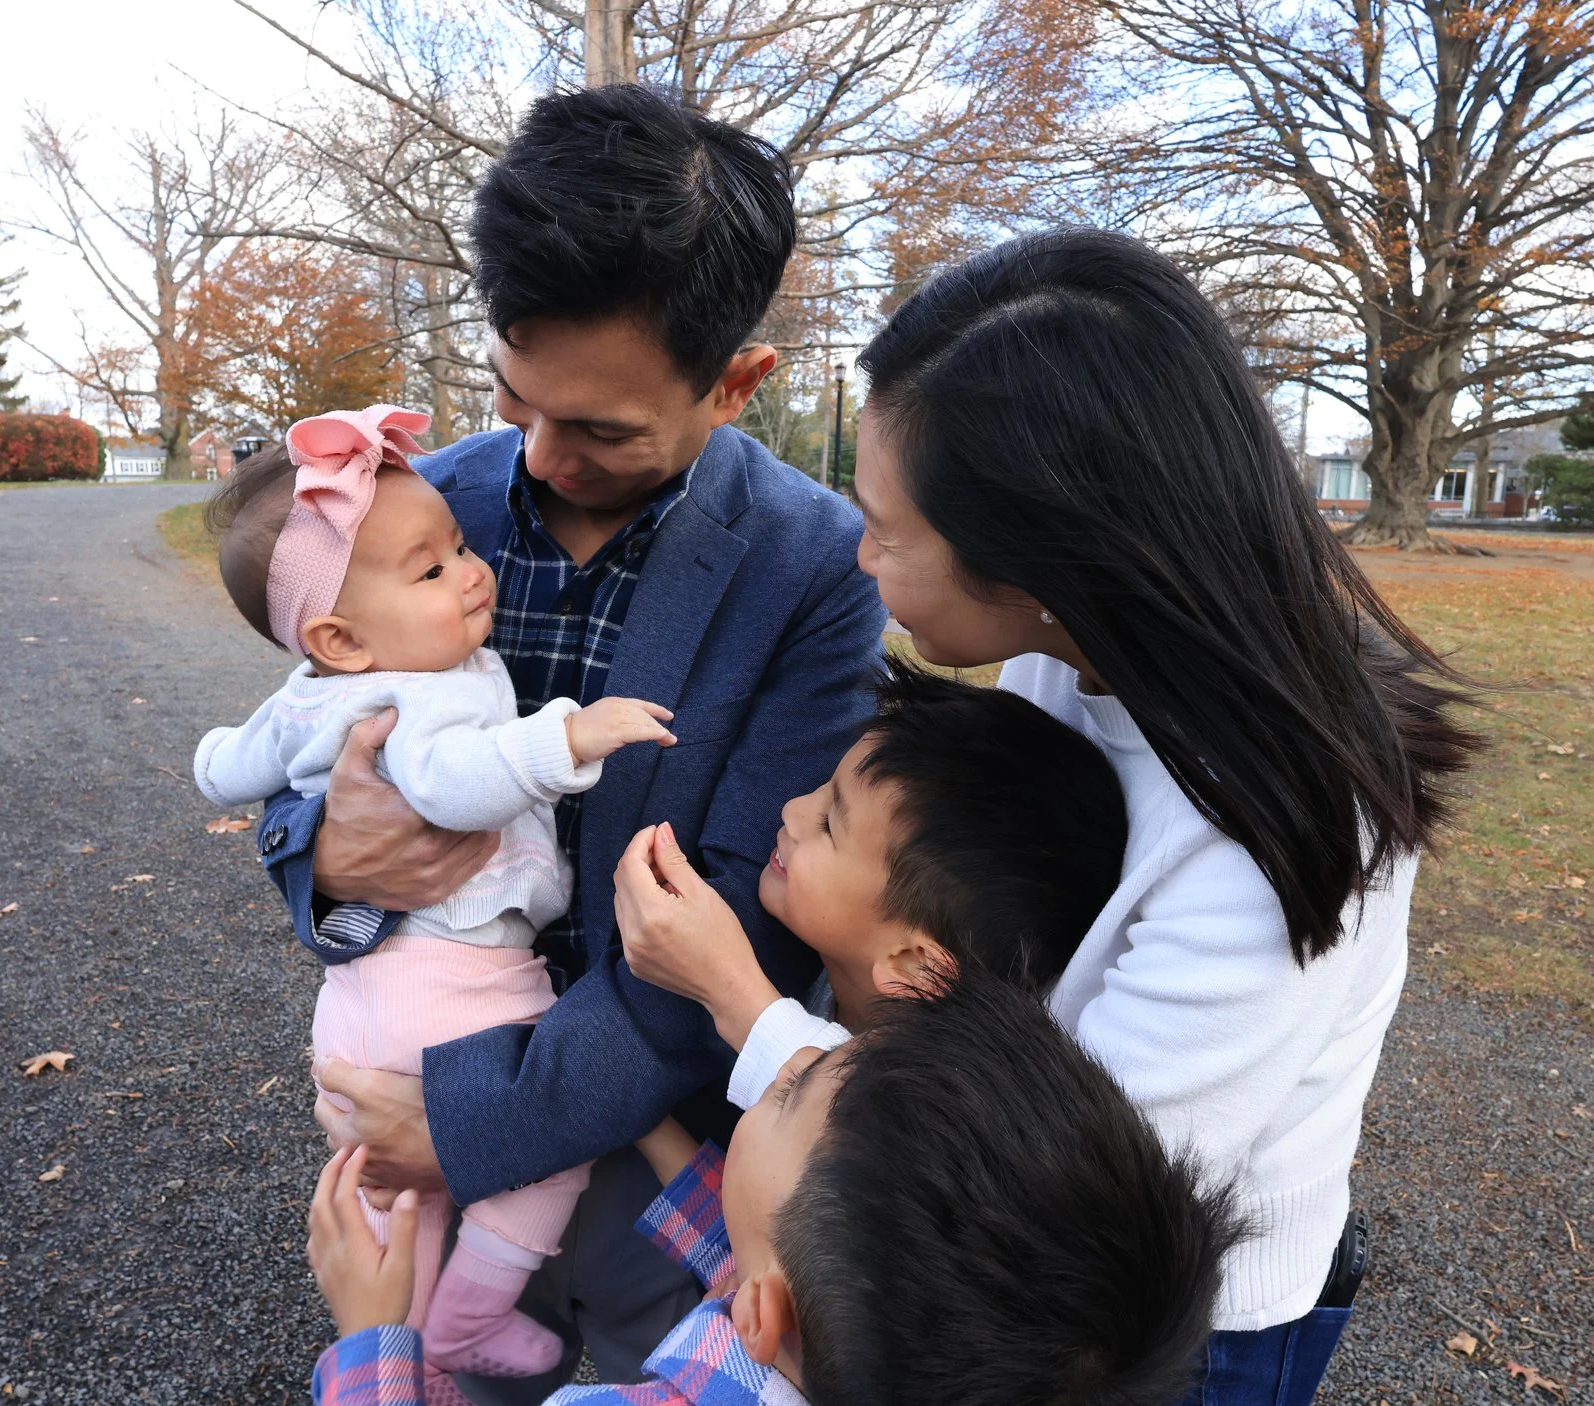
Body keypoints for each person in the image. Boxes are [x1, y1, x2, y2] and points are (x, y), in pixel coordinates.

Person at [254, 84, 886, 1401]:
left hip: (670, 1145)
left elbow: (752, 913)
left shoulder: (815, 567)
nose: (539, 456)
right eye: (514, 397)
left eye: (602, 429)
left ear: (736, 381)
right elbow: (313, 746)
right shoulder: (437, 503)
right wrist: (322, 854)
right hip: (425, 1065)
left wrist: (481, 1118)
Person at [822, 228, 1478, 1405]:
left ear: (1039, 566)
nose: (858, 553)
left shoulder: (1266, 826)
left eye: (884, 528)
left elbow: (1070, 1200)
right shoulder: (1067, 655)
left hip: (1170, 1321)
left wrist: (748, 1008)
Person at [195, 406, 681, 1376]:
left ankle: (400, 1355)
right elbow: (457, 781)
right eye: (432, 569)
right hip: (462, 992)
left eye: (460, 546)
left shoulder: (308, 688)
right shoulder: (429, 691)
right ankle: (473, 1310)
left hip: (363, 1010)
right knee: (548, 1152)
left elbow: (232, 763)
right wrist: (565, 737)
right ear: (338, 634)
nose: (471, 570)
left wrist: (217, 761)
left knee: (399, 1215)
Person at [305, 976, 1236, 1406]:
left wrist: (370, 1337)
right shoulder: (852, 1340)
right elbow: (760, 1252)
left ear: (760, 1313)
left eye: (792, 1087)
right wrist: (625, 1112)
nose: (791, 1064)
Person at [611, 656, 1129, 1083]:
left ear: (912, 965)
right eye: (822, 790)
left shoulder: (930, 1104)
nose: (793, 810)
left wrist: (721, 984)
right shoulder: (839, 979)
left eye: (831, 826)